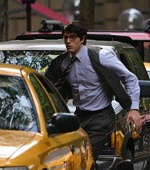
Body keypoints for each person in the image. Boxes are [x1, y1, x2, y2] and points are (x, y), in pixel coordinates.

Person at [45, 20, 142, 161]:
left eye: (72, 37)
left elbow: (130, 78)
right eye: (65, 37)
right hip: (78, 115)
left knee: (86, 156)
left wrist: (134, 108)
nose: (68, 41)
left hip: (101, 116)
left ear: (82, 39)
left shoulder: (101, 56)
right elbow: (48, 85)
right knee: (71, 156)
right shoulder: (63, 62)